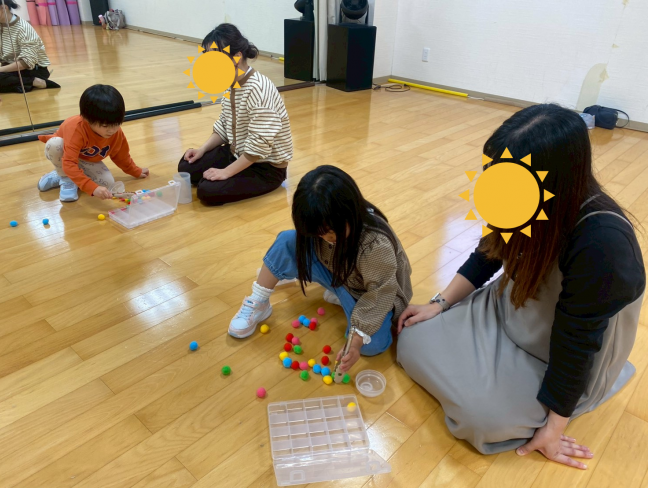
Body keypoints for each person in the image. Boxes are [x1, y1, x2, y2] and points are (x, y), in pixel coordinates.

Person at [397, 104, 646, 468]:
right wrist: (439, 303)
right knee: (411, 336)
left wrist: (554, 428)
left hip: (558, 348)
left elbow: (577, 341)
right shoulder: (519, 195)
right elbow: (489, 252)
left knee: (481, 421)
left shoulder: (602, 243)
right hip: (509, 309)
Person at [228, 166, 413, 372]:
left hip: (369, 294)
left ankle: (345, 300)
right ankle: (259, 302)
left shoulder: (375, 245)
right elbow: (307, 240)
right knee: (287, 241)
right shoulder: (326, 229)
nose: (325, 238)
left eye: (330, 232)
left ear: (349, 212)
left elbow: (381, 293)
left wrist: (357, 340)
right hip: (339, 274)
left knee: (372, 345)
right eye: (318, 234)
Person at [177, 24, 292, 206]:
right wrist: (202, 149)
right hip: (237, 152)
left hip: (265, 167)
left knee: (207, 191)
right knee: (186, 167)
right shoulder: (230, 83)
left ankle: (232, 175)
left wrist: (226, 172)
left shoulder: (259, 89)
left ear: (236, 57)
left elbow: (258, 147)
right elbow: (224, 126)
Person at [37, 84, 149, 202]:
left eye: (117, 124)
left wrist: (135, 170)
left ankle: (73, 174)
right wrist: (92, 188)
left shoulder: (116, 133)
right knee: (55, 144)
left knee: (108, 183)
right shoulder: (75, 129)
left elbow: (121, 156)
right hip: (64, 155)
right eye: (105, 126)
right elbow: (69, 162)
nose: (112, 130)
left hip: (86, 160)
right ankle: (64, 176)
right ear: (87, 119)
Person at [0, 0, 60, 93]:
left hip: (32, 70)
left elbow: (26, 62)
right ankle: (22, 86)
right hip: (9, 69)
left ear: (4, 8)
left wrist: (0, 70)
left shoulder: (23, 28)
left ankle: (35, 81)